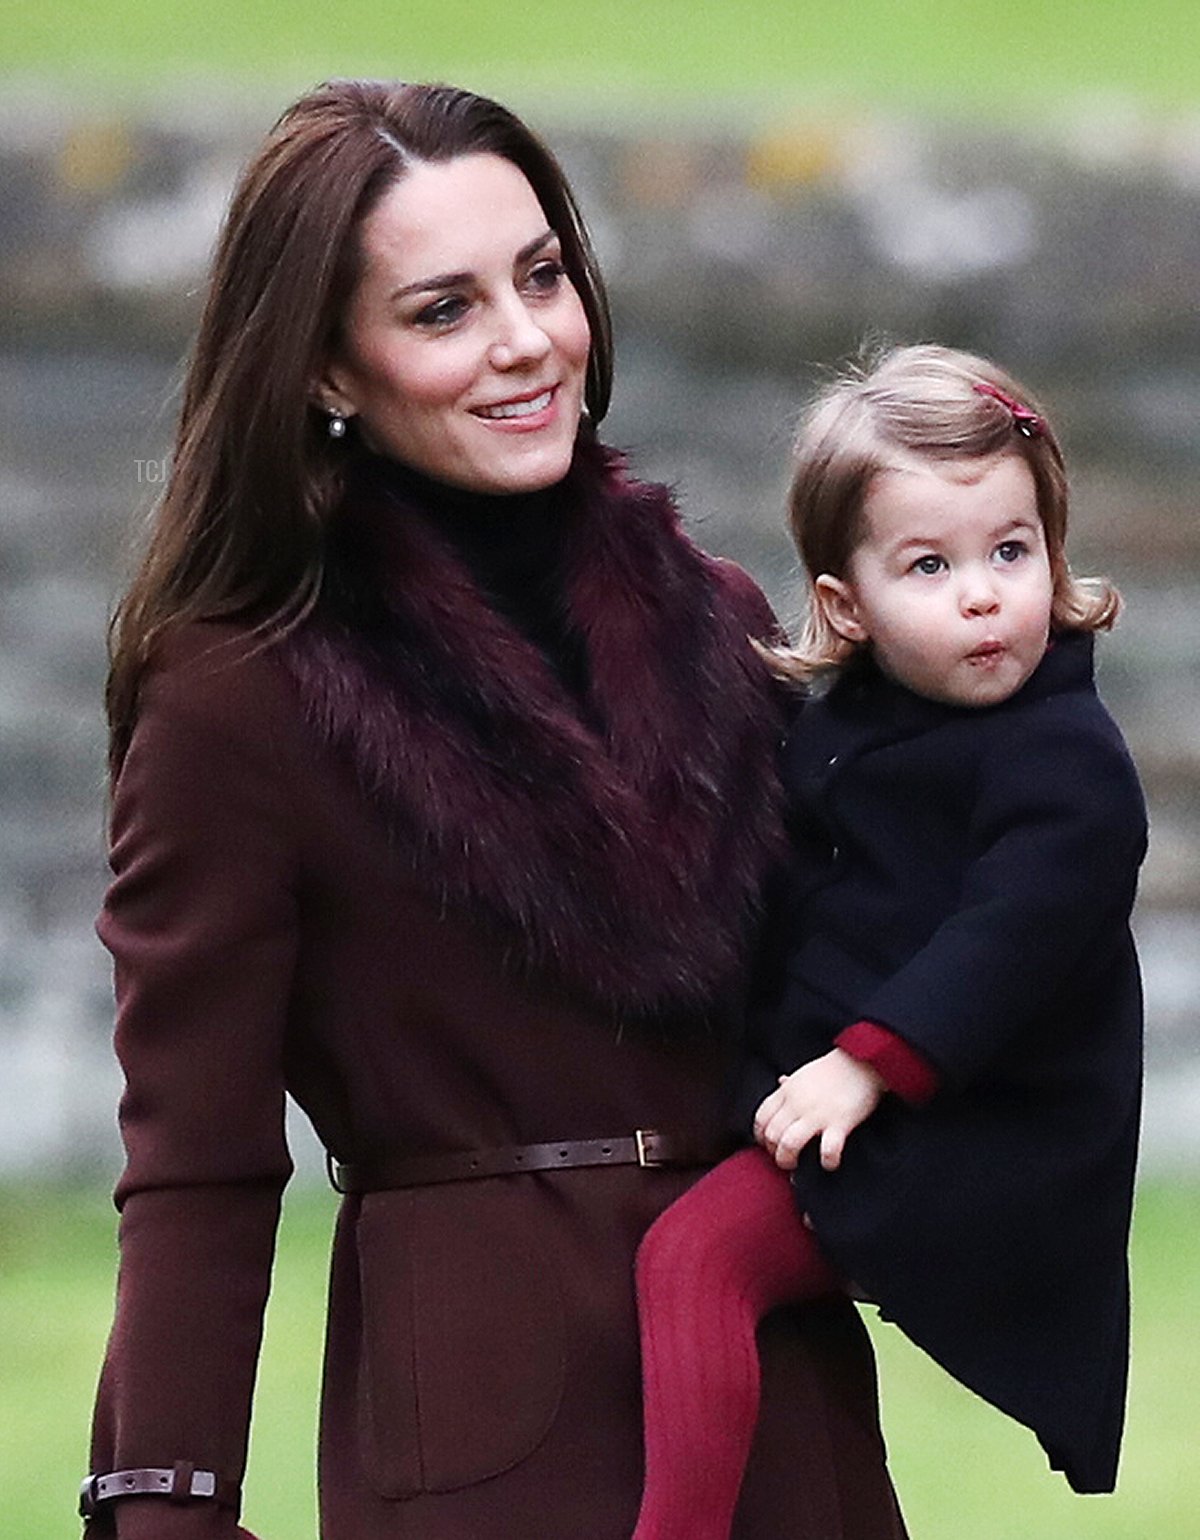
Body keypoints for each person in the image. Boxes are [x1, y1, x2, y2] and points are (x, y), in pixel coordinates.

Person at [78, 80, 911, 1540]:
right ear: (330, 367)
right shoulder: (237, 697)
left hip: (780, 1397)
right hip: (487, 1427)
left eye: (542, 276)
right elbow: (196, 1160)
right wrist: (162, 1504)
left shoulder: (716, 622)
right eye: (443, 309)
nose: (527, 339)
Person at [632, 343, 1147, 1540]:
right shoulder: (840, 731)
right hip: (858, 1106)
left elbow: (1008, 936)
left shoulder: (1066, 760)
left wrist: (866, 1062)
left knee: (694, 1262)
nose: (982, 592)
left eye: (1011, 551)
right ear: (845, 604)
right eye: (931, 564)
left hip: (982, 1142)